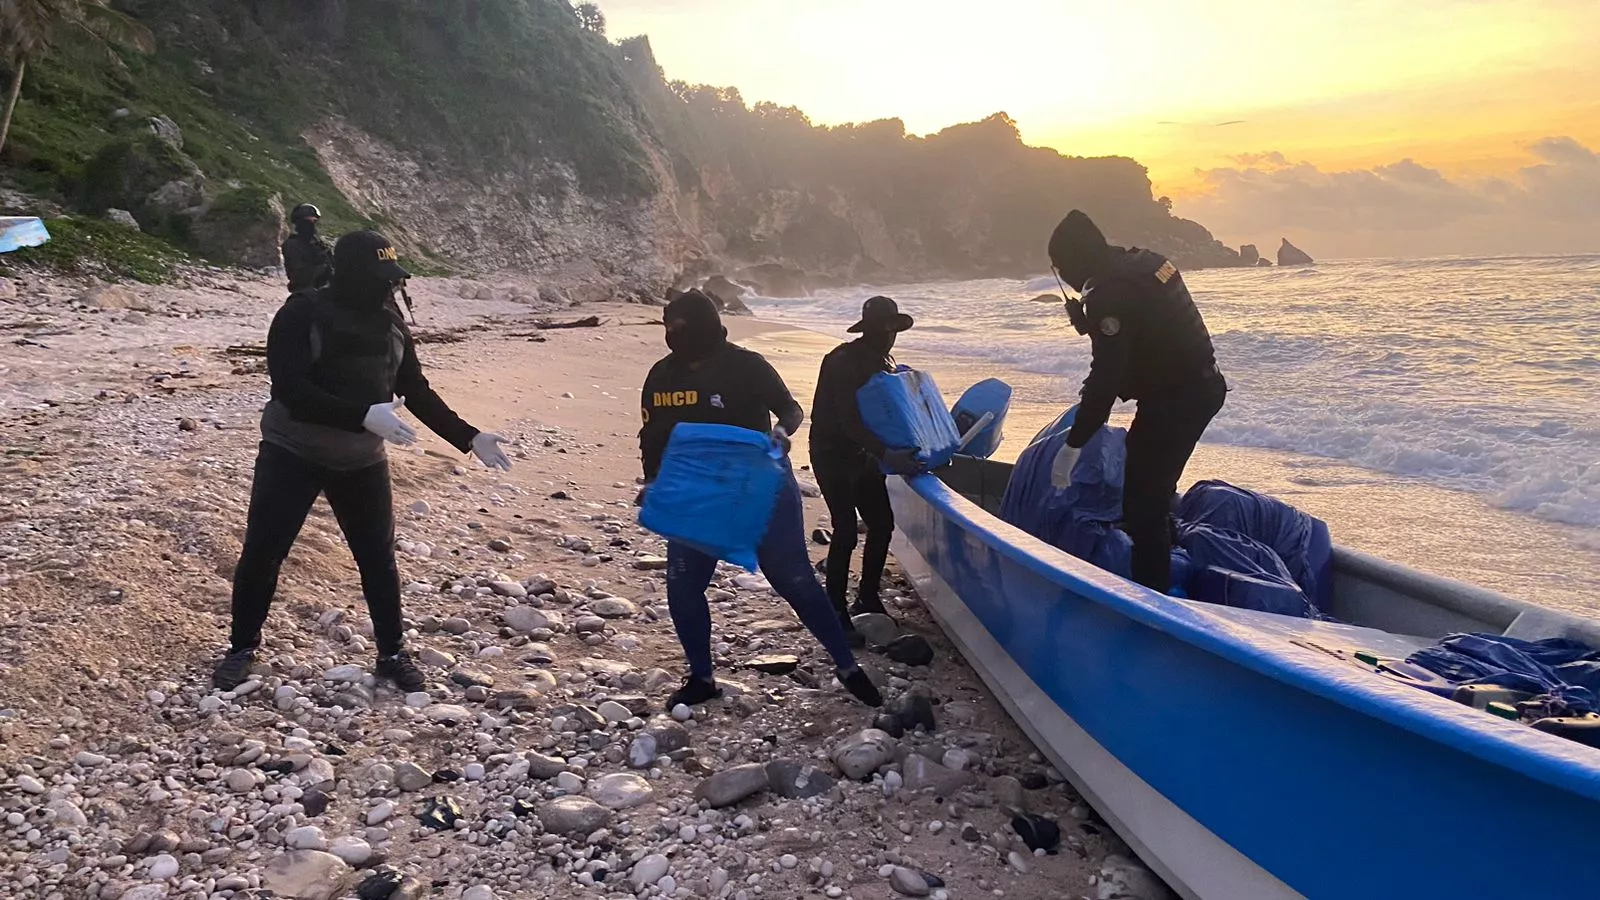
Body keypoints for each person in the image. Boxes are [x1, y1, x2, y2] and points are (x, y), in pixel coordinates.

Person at [213, 230, 513, 691]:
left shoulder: (391, 321)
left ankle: (392, 654)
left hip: (360, 460)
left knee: (377, 559)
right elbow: (290, 390)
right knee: (263, 551)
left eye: (391, 280)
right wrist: (360, 415)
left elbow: (416, 389)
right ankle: (242, 648)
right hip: (293, 450)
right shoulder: (300, 314)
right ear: (350, 274)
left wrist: (468, 437)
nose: (387, 288)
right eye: (379, 279)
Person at [638, 290, 884, 711]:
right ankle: (701, 677)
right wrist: (653, 483)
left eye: (680, 328)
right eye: (667, 328)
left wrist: (782, 432)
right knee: (682, 584)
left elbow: (790, 409)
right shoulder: (661, 377)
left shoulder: (746, 366)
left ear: (706, 327)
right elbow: (652, 438)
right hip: (697, 493)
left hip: (759, 487)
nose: (672, 336)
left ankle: (846, 665)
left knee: (794, 580)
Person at [1047, 209, 1227, 594]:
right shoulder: (1142, 262)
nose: (1065, 279)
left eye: (1061, 267)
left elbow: (1105, 379)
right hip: (1203, 386)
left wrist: (1074, 443)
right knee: (1147, 479)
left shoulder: (1108, 295)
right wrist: (1092, 320)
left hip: (1177, 399)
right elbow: (1149, 328)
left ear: (1076, 260)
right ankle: (1161, 555)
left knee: (1143, 505)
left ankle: (1154, 604)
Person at [809, 296, 920, 621]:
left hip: (865, 454)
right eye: (880, 328)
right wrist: (887, 454)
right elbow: (848, 420)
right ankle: (835, 610)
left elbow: (889, 415)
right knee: (844, 530)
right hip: (832, 453)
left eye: (892, 328)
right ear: (866, 329)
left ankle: (868, 597)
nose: (887, 335)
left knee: (882, 524)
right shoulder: (842, 360)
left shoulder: (886, 362)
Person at [282, 203, 334, 293]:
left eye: (314, 221)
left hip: (323, 290)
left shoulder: (319, 243)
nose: (311, 225)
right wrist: (319, 265)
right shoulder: (292, 244)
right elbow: (297, 274)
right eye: (308, 221)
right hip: (302, 291)